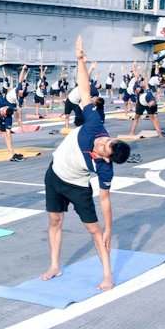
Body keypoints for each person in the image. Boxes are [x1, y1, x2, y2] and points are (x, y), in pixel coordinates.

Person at [41, 36, 131, 289]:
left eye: (105, 147)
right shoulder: (95, 124)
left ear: (106, 158)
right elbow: (84, 90)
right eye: (107, 141)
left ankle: (107, 274)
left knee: (95, 231)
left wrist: (109, 228)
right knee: (55, 220)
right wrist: (80, 59)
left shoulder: (104, 167)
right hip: (54, 174)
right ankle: (55, 264)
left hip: (77, 186)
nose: (102, 142)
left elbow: (105, 199)